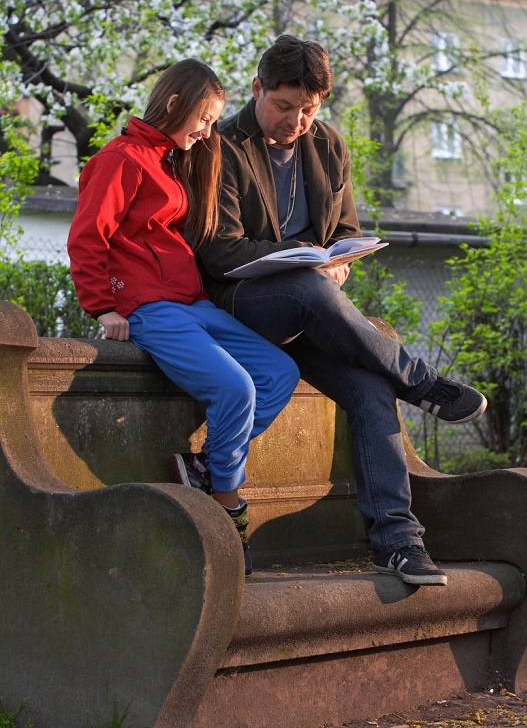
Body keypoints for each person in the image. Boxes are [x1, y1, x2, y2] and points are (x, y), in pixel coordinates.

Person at [197, 35, 488, 587]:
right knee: (310, 290)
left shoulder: (328, 144)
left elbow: (345, 229)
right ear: (258, 88)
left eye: (309, 109)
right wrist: (301, 266)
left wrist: (339, 260)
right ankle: (423, 381)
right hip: (241, 305)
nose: (297, 121)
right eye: (285, 106)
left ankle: (398, 542)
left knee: (370, 388)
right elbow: (220, 250)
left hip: (313, 307)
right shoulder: (220, 145)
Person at [67, 58, 300, 577]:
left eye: (215, 121)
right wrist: (103, 306)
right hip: (148, 307)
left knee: (279, 372)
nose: (208, 130)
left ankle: (201, 466)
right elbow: (87, 236)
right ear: (175, 105)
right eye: (204, 118)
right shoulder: (121, 158)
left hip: (192, 303)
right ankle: (227, 504)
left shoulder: (170, 158)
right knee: (235, 388)